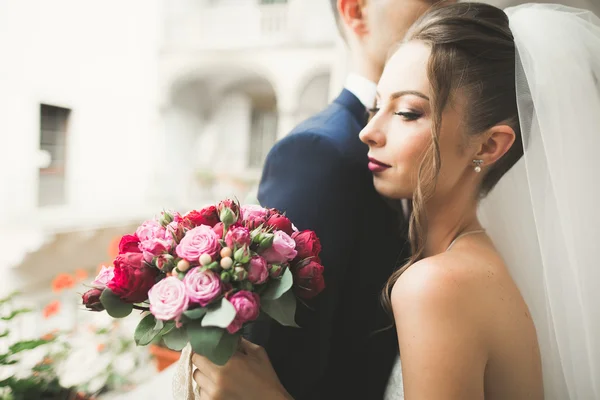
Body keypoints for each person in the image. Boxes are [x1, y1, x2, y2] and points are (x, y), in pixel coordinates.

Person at [189, 2, 600, 399]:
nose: (368, 132)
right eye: (375, 106)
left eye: (406, 113)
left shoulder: (437, 285)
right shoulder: (477, 262)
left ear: (490, 144)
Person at [202, 1, 446, 400]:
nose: (451, 7)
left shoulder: (437, 156)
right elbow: (277, 362)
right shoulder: (318, 151)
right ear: (356, 10)